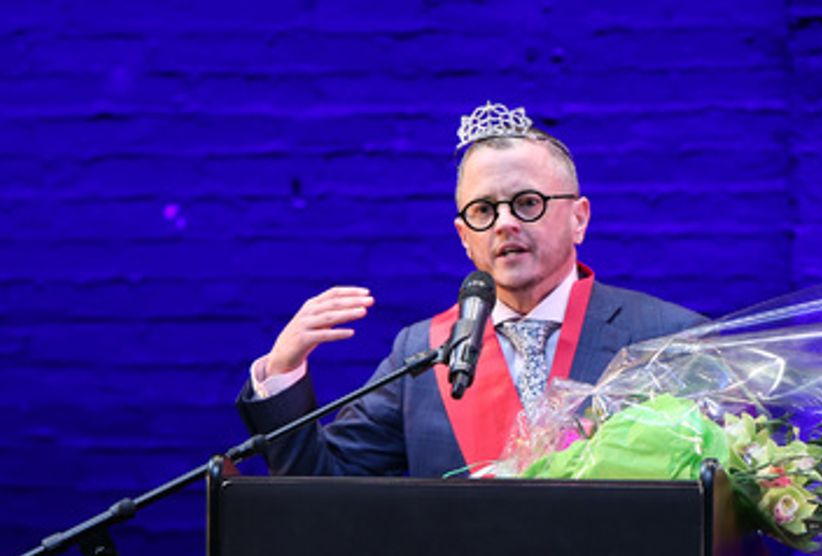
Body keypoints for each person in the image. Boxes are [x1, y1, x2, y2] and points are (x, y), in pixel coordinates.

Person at [237, 102, 702, 477]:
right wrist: (282, 372)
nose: (505, 223)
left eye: (527, 203)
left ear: (579, 218)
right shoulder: (422, 353)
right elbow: (325, 484)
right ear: (464, 236)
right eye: (483, 210)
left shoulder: (664, 335)